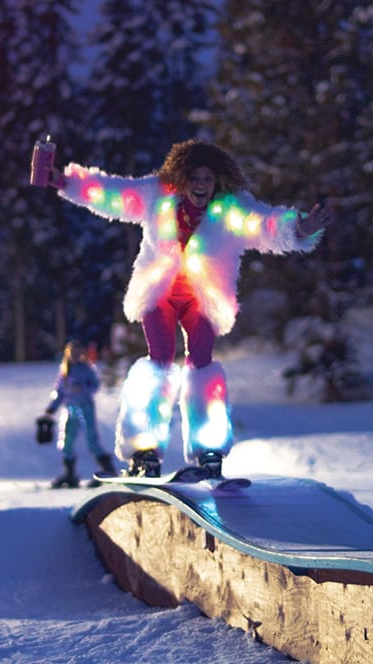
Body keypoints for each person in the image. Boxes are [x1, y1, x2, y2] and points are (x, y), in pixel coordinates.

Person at [39, 139, 335, 478]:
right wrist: (64, 182)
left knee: (202, 363)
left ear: (217, 180)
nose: (201, 185)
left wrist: (299, 228)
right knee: (159, 359)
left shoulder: (231, 209)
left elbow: (264, 224)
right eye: (194, 177)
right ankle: (143, 450)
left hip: (203, 297)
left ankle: (209, 450)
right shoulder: (158, 195)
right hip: (160, 294)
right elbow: (114, 194)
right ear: (180, 177)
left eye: (207, 178)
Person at [45, 340, 113, 488]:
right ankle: (69, 474)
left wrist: (82, 389)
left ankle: (108, 470)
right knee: (67, 440)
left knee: (91, 439)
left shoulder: (86, 369)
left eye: (78, 352)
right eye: (73, 352)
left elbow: (95, 385)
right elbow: (60, 391)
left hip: (85, 406)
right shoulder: (65, 371)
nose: (75, 355)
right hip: (70, 408)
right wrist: (52, 408)